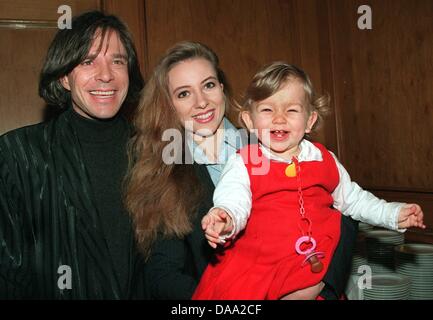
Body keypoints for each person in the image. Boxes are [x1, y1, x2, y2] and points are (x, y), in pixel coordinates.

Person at [126, 42, 360, 300]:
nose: (202, 102)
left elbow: (342, 215)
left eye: (208, 85)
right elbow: (163, 276)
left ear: (222, 88)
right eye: (184, 93)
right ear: (168, 104)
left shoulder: (272, 137)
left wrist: (323, 286)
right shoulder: (166, 173)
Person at [192, 62, 426, 300]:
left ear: (310, 120)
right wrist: (226, 217)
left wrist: (392, 214)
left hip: (309, 263)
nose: (279, 119)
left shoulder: (324, 159)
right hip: (259, 265)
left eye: (291, 110)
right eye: (267, 110)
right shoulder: (245, 161)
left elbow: (353, 199)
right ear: (250, 121)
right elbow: (234, 198)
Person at [0, 11, 146, 299]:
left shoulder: (155, 154)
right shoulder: (17, 155)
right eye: (88, 61)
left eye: (117, 61)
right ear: (64, 77)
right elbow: (7, 274)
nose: (106, 75)